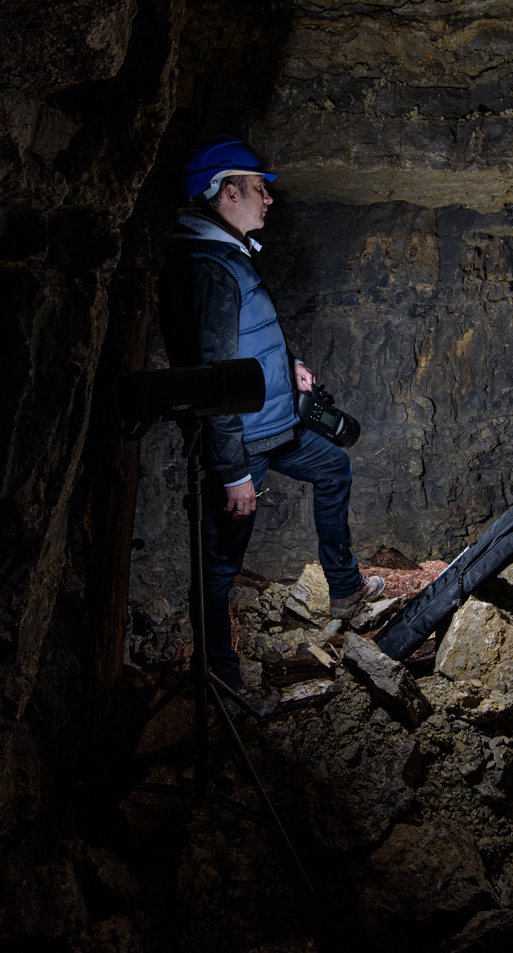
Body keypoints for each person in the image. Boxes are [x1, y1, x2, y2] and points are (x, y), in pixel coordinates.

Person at [157, 136, 383, 693]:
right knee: (220, 567)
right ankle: (220, 676)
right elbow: (214, 377)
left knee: (333, 468)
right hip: (246, 444)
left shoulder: (228, 254)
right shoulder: (209, 268)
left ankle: (346, 589)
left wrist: (290, 365)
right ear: (228, 192)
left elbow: (246, 343)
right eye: (260, 189)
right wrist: (233, 471)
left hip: (275, 426)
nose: (269, 199)